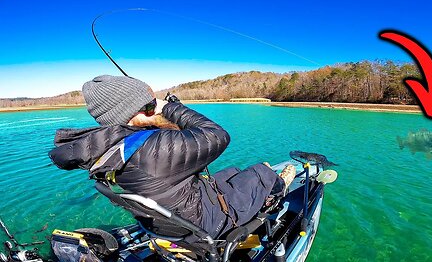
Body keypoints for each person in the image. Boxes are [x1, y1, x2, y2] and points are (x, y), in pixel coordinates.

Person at [49, 75, 296, 239]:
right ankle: (276, 187)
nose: (153, 110)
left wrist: (153, 115)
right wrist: (169, 107)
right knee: (260, 171)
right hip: (207, 222)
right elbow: (218, 135)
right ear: (131, 115)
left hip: (171, 219)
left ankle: (255, 182)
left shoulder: (108, 151)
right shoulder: (152, 149)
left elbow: (164, 153)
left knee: (231, 171)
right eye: (148, 107)